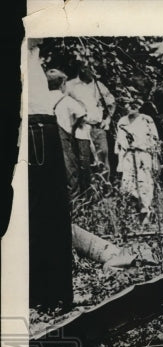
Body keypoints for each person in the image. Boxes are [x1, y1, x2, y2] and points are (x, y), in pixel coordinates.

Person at [28, 42, 74, 310]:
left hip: (37, 124)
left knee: (43, 212)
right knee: (47, 212)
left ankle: (46, 295)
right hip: (36, 124)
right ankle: (49, 295)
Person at [66, 62, 115, 179]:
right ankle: (89, 191)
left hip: (98, 128)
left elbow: (111, 102)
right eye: (90, 68)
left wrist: (107, 120)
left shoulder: (98, 85)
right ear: (83, 68)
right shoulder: (70, 85)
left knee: (103, 157)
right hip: (80, 129)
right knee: (84, 160)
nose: (93, 72)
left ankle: (104, 190)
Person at [115, 94, 160, 221]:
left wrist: (155, 160)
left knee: (144, 184)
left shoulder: (147, 120)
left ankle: (146, 213)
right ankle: (132, 215)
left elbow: (154, 142)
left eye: (134, 105)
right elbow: (119, 144)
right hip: (128, 156)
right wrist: (120, 163)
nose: (131, 108)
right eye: (128, 104)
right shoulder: (122, 122)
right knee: (128, 185)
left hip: (143, 156)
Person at [51, 69, 91, 200]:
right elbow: (81, 115)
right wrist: (73, 129)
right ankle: (76, 208)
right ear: (62, 83)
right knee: (70, 172)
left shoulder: (41, 98)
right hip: (64, 139)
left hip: (46, 139)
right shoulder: (66, 99)